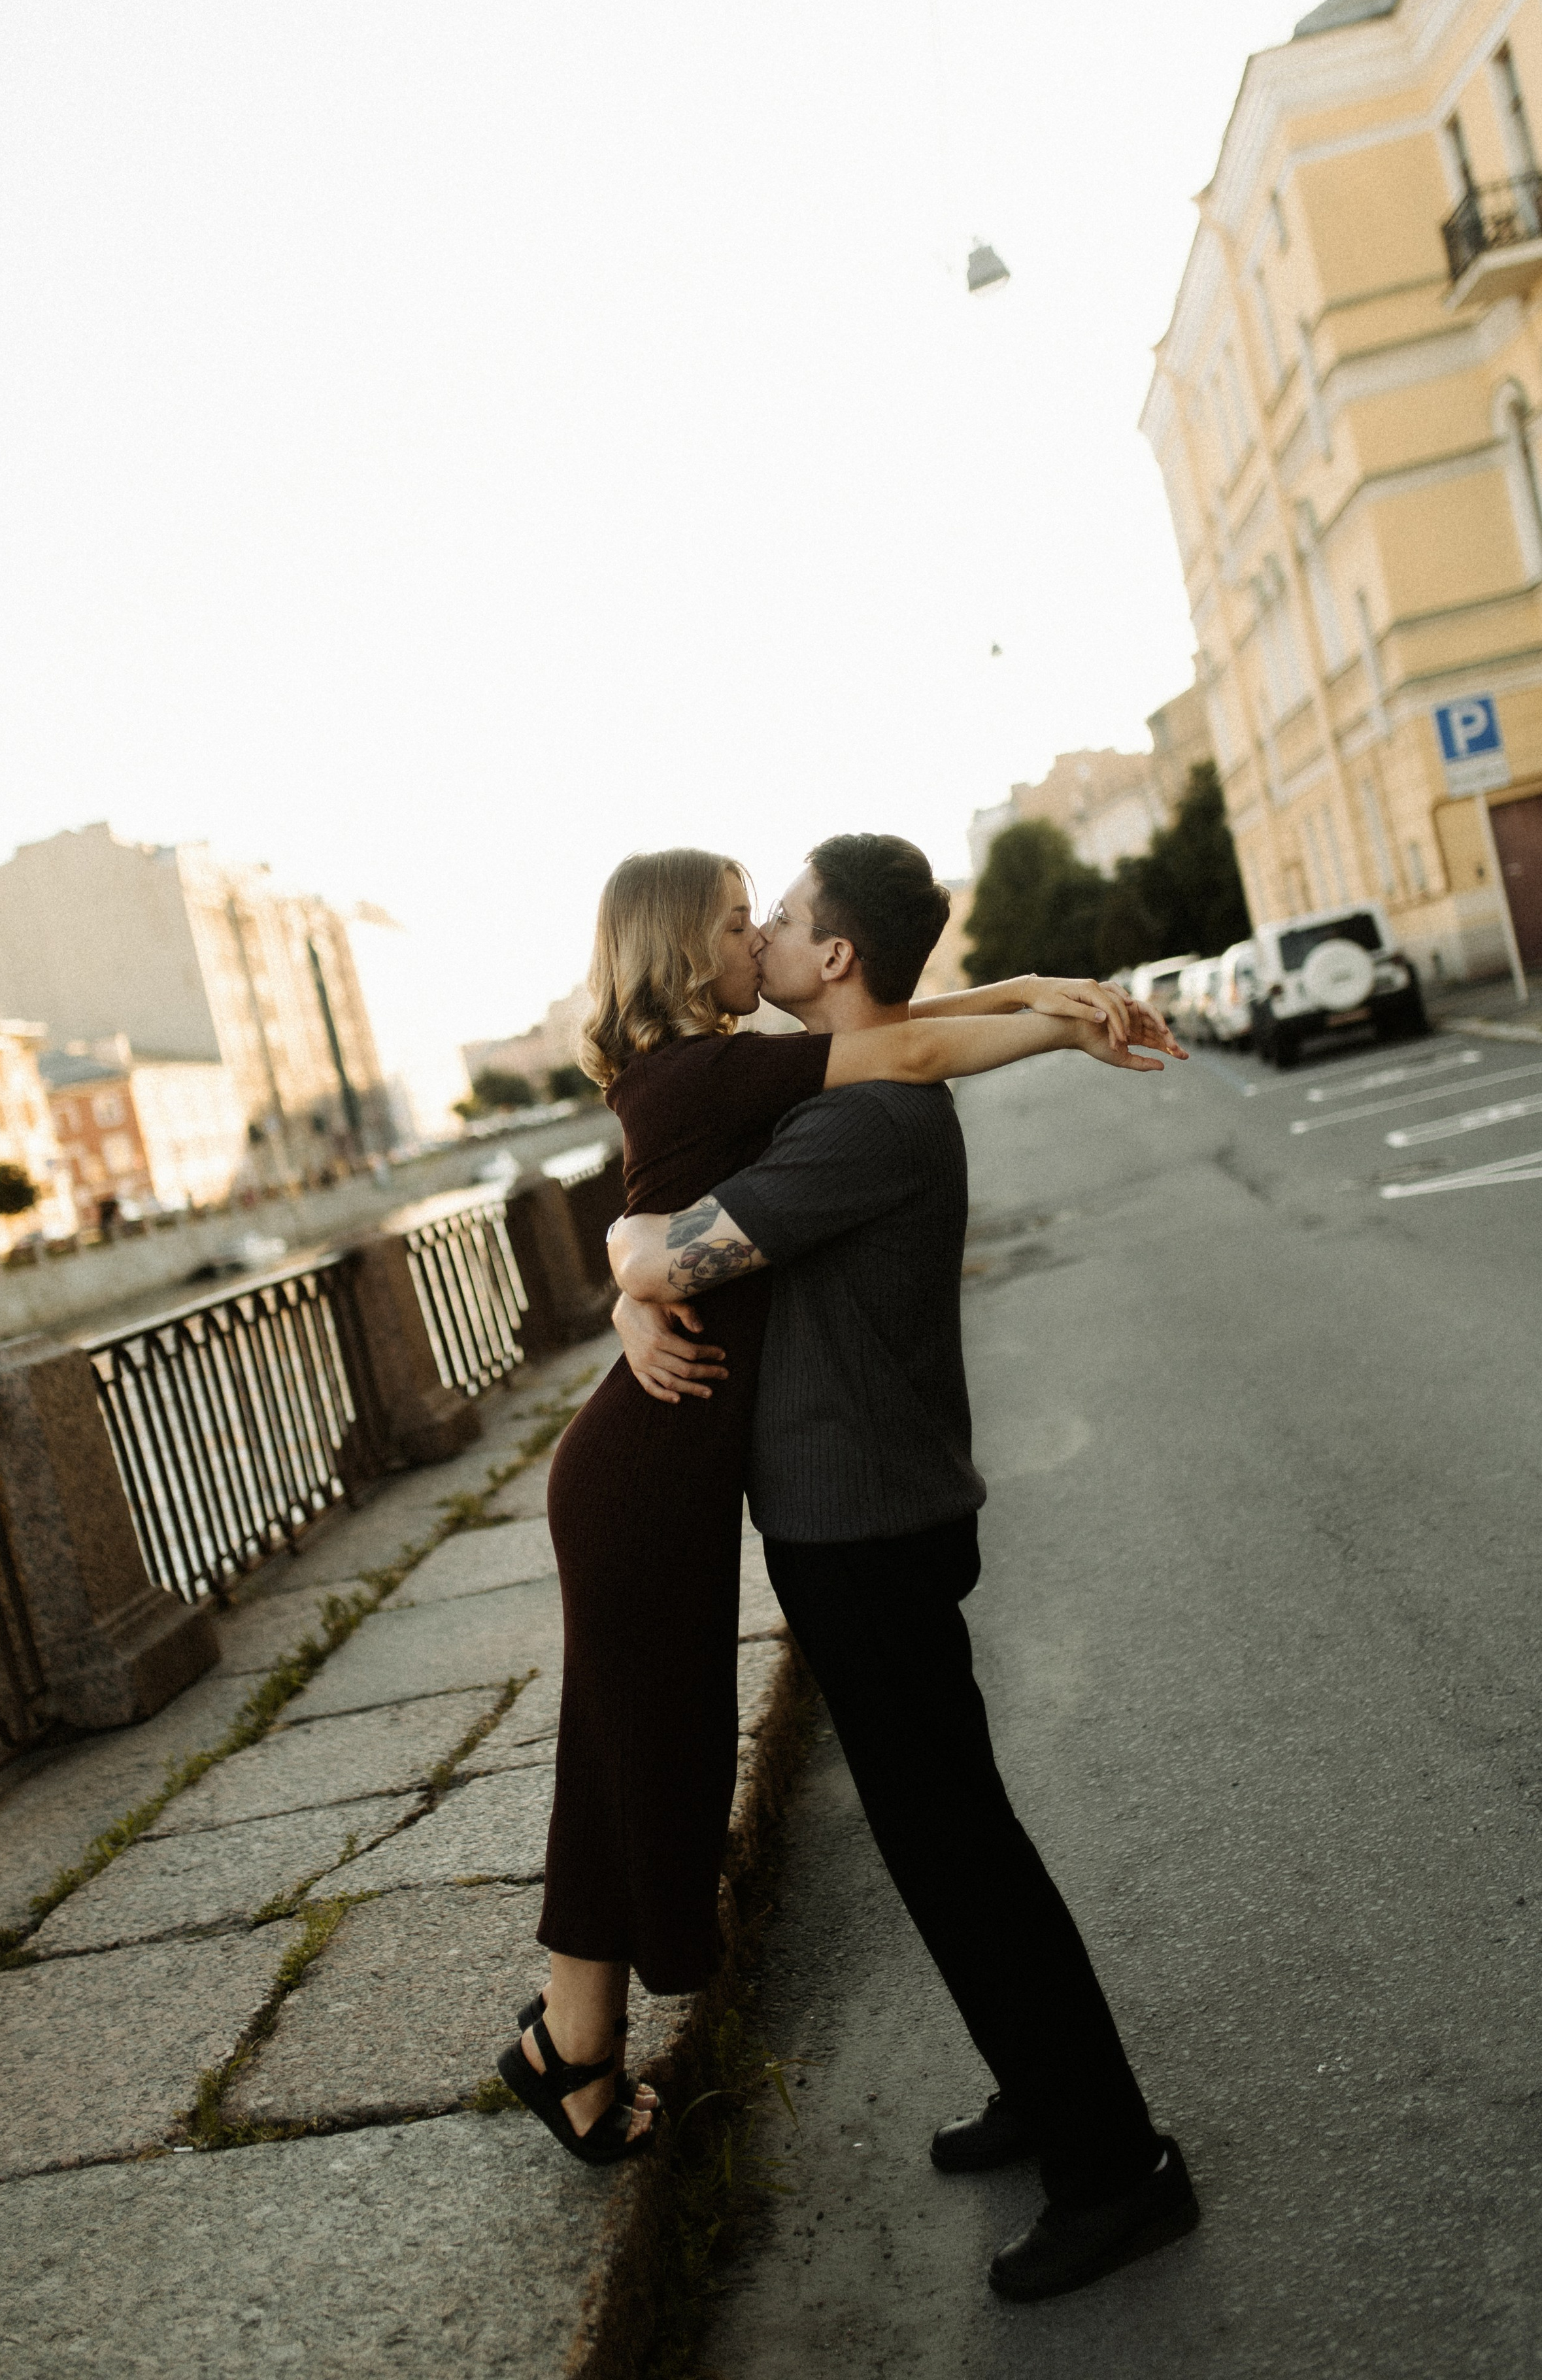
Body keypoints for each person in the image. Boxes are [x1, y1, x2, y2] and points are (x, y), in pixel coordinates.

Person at [497, 845, 1173, 2166]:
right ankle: (574, 2046)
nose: (758, 939)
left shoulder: (819, 1102)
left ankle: (1102, 2154)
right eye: (739, 923)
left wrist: (1050, 1006)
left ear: (835, 954)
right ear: (688, 951)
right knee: (647, 1755)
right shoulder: (739, 1078)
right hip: (658, 1471)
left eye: (773, 919)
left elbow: (903, 1041)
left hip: (785, 1500)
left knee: (704, 1771)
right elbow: (892, 1047)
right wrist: (633, 1274)